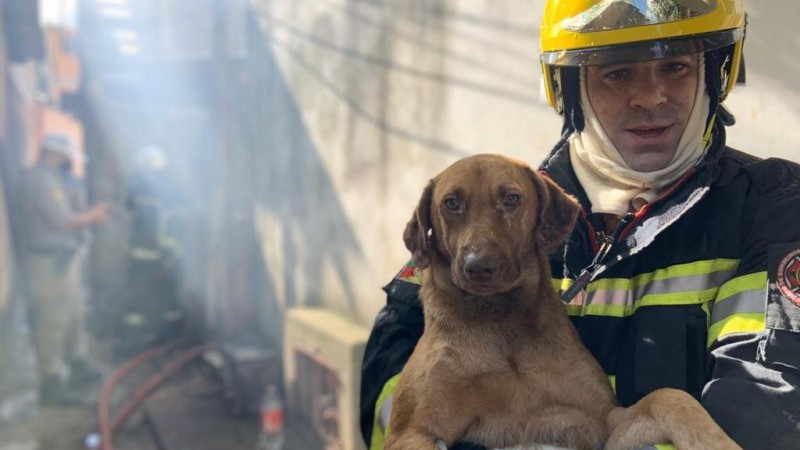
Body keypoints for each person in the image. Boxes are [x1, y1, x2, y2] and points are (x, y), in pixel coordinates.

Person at [360, 1, 800, 449]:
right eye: (617, 72)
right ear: (571, 87)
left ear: (714, 73)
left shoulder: (773, 205)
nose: (650, 97)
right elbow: (388, 380)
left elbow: (770, 413)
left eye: (675, 66)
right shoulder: (516, 204)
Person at [19, 132, 111, 405]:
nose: (68, 161)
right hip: (48, 263)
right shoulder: (40, 181)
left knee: (74, 316)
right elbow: (62, 221)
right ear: (54, 154)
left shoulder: (55, 178)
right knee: (53, 322)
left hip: (64, 260)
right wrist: (93, 216)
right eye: (66, 157)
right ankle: (52, 381)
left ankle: (77, 363)